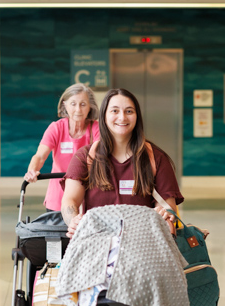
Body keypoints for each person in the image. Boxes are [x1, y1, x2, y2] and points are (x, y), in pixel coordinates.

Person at [59, 88, 183, 238]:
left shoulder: (156, 158)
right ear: (104, 116)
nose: (122, 117)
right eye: (115, 111)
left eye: (129, 111)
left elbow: (168, 207)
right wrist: (73, 220)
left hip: (143, 245)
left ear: (137, 116)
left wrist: (163, 213)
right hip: (96, 243)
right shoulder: (85, 157)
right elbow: (69, 200)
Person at [24, 83, 100, 211]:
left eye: (83, 104)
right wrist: (32, 171)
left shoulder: (96, 129)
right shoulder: (56, 128)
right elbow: (40, 156)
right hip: (58, 195)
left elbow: (102, 157)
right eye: (73, 104)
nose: (78, 110)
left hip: (88, 194)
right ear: (65, 104)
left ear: (90, 107)